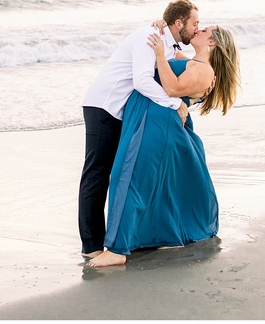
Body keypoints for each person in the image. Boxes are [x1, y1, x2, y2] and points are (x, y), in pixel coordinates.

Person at [88, 25, 240, 267]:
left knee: (129, 178)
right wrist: (163, 29)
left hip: (157, 122)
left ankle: (118, 250)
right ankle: (158, 235)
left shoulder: (203, 70)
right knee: (146, 181)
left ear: (212, 43)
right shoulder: (193, 62)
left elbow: (172, 88)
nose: (199, 29)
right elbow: (172, 49)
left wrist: (159, 54)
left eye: (205, 31)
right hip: (150, 118)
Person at [78, 0, 200, 259]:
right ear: (179, 23)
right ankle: (91, 247)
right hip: (105, 106)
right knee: (97, 174)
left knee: (115, 173)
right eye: (194, 23)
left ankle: (114, 238)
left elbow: (186, 69)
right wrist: (175, 103)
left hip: (122, 112)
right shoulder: (150, 36)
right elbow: (143, 80)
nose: (196, 29)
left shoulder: (166, 44)